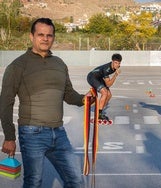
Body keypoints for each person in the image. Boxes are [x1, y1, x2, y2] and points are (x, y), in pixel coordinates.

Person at [0, 18, 92, 188]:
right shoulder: (18, 66)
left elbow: (68, 94)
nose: (45, 38)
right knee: (34, 182)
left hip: (59, 133)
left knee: (75, 180)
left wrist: (86, 100)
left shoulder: (59, 64)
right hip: (31, 132)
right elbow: (5, 103)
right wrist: (10, 137)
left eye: (49, 35)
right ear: (31, 36)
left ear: (54, 37)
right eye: (40, 34)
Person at [87, 53, 122, 121]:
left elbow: (107, 82)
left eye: (119, 63)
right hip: (92, 77)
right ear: (112, 61)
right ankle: (98, 114)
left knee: (109, 95)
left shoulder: (116, 67)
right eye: (115, 63)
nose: (117, 65)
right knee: (105, 93)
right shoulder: (107, 69)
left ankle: (100, 111)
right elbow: (108, 84)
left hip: (99, 77)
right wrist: (115, 75)